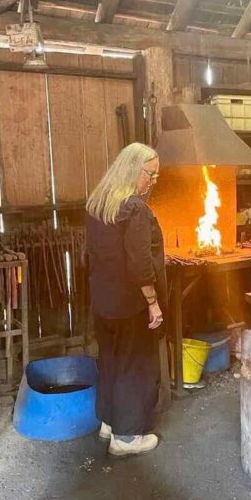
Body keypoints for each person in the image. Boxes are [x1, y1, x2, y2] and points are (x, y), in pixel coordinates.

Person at [85, 142, 166, 457]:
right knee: (135, 365)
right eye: (151, 174)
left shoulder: (98, 203)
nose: (152, 181)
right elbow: (139, 263)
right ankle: (127, 437)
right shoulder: (134, 208)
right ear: (134, 169)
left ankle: (108, 423)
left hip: (104, 301)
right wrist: (153, 302)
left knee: (111, 360)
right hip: (130, 303)